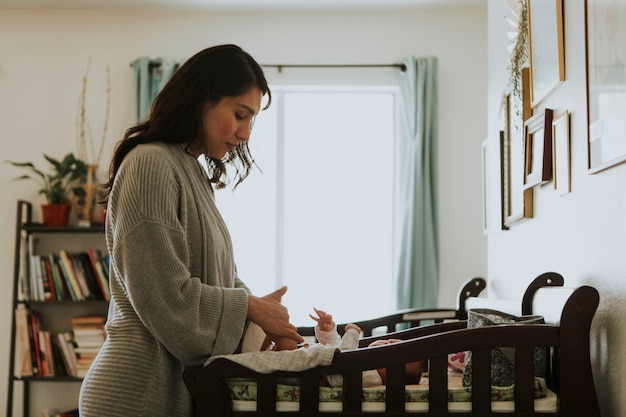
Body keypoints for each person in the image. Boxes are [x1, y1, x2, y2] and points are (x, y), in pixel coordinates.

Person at [79, 44, 304, 417]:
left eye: (251, 120)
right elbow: (166, 298)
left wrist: (265, 316)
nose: (245, 133)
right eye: (239, 114)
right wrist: (251, 307)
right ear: (203, 99)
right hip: (136, 397)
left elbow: (220, 280)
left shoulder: (191, 171)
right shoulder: (150, 164)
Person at [263, 308, 423, 386]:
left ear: (392, 375)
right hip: (300, 362)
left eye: (390, 349)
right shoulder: (365, 365)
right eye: (390, 341)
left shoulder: (371, 377)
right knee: (283, 337)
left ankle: (262, 351)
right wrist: (328, 330)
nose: (386, 342)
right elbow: (335, 349)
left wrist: (353, 333)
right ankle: (264, 348)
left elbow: (344, 358)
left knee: (286, 337)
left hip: (300, 374)